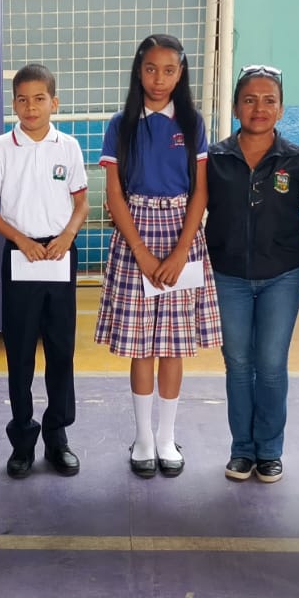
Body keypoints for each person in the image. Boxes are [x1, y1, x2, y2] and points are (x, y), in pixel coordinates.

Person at [95, 34, 222, 478]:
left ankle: (167, 437)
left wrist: (182, 250)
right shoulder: (121, 125)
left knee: (173, 345)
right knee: (141, 346)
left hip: (181, 236)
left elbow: (201, 191)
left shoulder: (193, 123)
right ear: (139, 71)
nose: (159, 79)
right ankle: (143, 439)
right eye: (151, 69)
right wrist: (142, 254)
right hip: (136, 236)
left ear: (181, 73)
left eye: (169, 70)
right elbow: (114, 195)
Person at [0, 62, 88, 479]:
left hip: (60, 254)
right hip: (20, 254)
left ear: (53, 103)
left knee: (60, 350)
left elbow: (81, 203)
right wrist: (20, 239)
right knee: (20, 352)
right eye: (22, 99)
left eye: (39, 99)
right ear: (14, 104)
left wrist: (68, 235)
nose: (30, 107)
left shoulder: (69, 147)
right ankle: (22, 440)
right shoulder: (1, 148)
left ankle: (57, 437)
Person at [205, 66, 299, 487]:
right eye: (249, 100)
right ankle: (242, 449)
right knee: (237, 362)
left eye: (269, 100)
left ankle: (269, 451)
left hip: (282, 275)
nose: (259, 108)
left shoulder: (297, 159)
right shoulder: (214, 159)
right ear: (235, 107)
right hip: (227, 275)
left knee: (269, 363)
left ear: (281, 109)